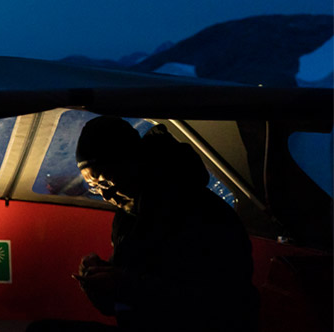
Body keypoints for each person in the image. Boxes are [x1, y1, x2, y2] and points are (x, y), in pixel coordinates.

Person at [28, 116, 259, 332]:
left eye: (107, 181)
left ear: (133, 163)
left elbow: (217, 302)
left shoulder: (200, 213)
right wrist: (97, 282)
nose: (106, 195)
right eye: (95, 187)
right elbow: (115, 304)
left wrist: (125, 283)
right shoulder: (128, 218)